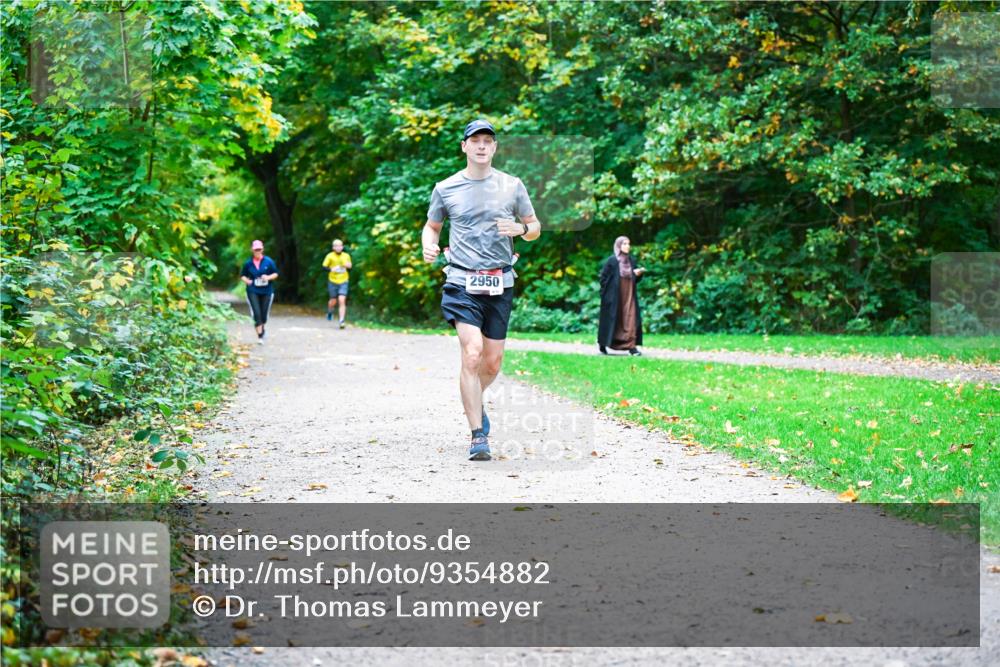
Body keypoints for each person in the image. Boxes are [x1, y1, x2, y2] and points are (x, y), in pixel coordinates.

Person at [421, 119, 541, 461]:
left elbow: (534, 227)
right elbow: (432, 227)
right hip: (461, 280)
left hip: (500, 281)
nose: (482, 146)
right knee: (472, 353)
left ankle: (472, 394)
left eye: (488, 140)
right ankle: (478, 436)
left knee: (492, 362)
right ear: (464, 146)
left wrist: (520, 229)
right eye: (475, 140)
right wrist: (429, 244)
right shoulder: (446, 188)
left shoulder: (512, 185)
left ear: (495, 147)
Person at [598, 236, 645, 356]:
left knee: (631, 319)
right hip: (614, 297)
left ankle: (632, 347)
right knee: (614, 320)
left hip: (629, 296)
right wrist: (606, 294)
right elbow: (603, 278)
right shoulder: (612, 261)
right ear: (619, 246)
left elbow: (634, 280)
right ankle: (604, 343)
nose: (627, 246)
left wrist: (637, 274)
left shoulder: (631, 260)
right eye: (624, 244)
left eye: (628, 244)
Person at [240, 240, 279, 344]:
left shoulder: (269, 261)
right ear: (252, 250)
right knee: (256, 313)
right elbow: (242, 275)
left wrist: (268, 277)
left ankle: (262, 327)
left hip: (267, 291)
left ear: (262, 249)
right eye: (256, 249)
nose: (257, 251)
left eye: (259, 249)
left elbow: (276, 273)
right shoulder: (248, 263)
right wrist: (247, 281)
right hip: (253, 290)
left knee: (263, 315)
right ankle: (260, 336)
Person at [322, 238, 352, 328]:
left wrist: (348, 265)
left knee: (342, 299)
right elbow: (324, 267)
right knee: (333, 301)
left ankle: (341, 321)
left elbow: (350, 266)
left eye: (340, 246)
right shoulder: (330, 256)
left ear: (342, 247)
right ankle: (330, 311)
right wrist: (331, 269)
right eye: (336, 246)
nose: (338, 247)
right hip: (333, 281)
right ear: (333, 247)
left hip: (344, 280)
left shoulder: (346, 256)